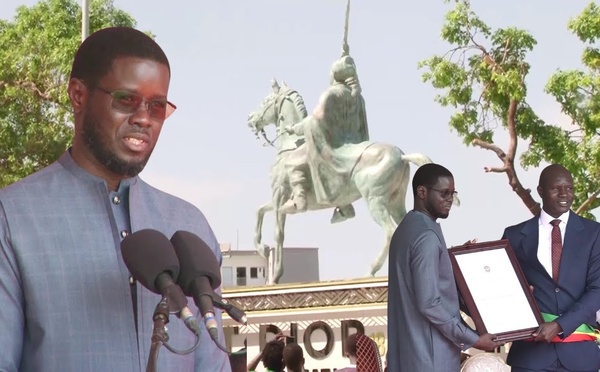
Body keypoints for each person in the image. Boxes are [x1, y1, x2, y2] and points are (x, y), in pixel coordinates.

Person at [0, 27, 231, 371]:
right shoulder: (13, 216)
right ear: (78, 94)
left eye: (157, 106)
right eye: (127, 100)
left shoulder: (189, 225)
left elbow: (212, 363)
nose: (144, 119)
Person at [387, 163, 500, 372]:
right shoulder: (427, 236)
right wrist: (474, 339)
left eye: (453, 193)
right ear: (421, 192)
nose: (450, 199)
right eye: (444, 193)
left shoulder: (405, 230)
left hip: (408, 356)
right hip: (430, 359)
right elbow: (430, 303)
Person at [501, 164, 600, 371]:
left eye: (569, 188)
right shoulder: (514, 235)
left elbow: (597, 290)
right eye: (557, 188)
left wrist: (559, 325)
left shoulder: (594, 234)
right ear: (540, 191)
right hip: (530, 357)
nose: (565, 194)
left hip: (580, 357)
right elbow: (502, 289)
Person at [281, 44, 369, 223]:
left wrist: (295, 128)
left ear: (334, 75)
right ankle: (344, 205)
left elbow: (316, 120)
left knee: (292, 161)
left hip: (335, 145)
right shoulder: (358, 97)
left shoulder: (331, 94)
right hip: (355, 143)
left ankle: (299, 198)